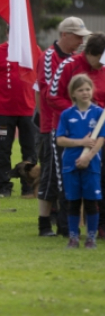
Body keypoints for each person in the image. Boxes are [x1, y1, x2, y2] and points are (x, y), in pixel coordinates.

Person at [36, 17, 90, 237]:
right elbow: (49, 94)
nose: (81, 41)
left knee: (66, 176)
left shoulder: (76, 59)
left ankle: (63, 222)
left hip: (73, 128)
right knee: (50, 176)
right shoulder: (49, 57)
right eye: (77, 36)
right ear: (64, 35)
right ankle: (44, 224)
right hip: (53, 126)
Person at [48, 31, 105, 237]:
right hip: (70, 134)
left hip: (99, 135)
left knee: (99, 180)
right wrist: (80, 110)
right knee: (68, 181)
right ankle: (67, 228)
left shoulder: (104, 68)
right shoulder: (69, 65)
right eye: (99, 60)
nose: (101, 65)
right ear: (91, 53)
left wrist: (96, 113)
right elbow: (52, 96)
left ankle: (100, 227)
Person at [0, 30, 37, 197]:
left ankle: (29, 187)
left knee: (30, 150)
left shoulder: (33, 50)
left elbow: (42, 78)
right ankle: (4, 187)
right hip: (3, 111)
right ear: (7, 33)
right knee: (3, 150)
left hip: (29, 110)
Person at [55, 74, 104, 249]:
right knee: (73, 202)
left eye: (88, 89)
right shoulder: (67, 115)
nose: (85, 92)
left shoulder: (99, 113)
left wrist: (88, 156)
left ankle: (91, 238)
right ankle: (73, 238)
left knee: (91, 202)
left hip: (91, 165)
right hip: (71, 164)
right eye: (80, 90)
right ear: (73, 93)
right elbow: (60, 139)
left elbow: (100, 139)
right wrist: (81, 143)